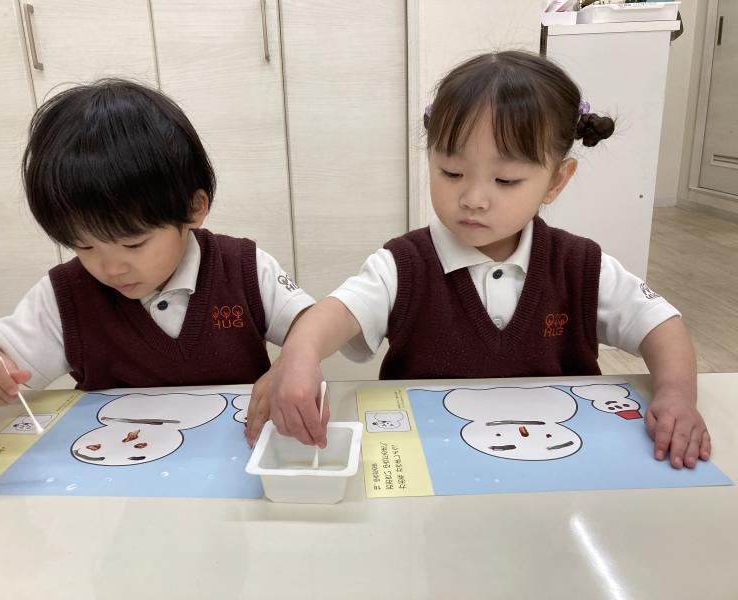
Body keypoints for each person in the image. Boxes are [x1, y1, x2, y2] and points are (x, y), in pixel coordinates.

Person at [261, 51, 710, 469]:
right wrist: (301, 353)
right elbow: (335, 314)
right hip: (431, 460)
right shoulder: (402, 265)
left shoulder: (578, 265)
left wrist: (676, 394)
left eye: (506, 179)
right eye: (451, 173)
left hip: (556, 461)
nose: (473, 198)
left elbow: (660, 325)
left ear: (556, 181)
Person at [0, 79, 314, 407]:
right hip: (112, 466)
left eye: (134, 244)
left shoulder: (244, 269)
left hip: (238, 455)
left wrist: (297, 358)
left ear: (193, 208)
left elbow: (311, 326)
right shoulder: (66, 294)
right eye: (85, 246)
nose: (111, 268)